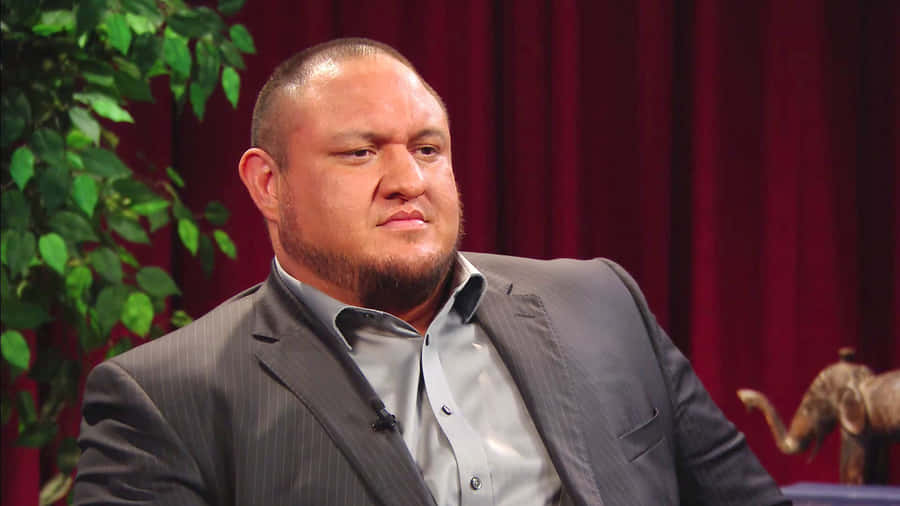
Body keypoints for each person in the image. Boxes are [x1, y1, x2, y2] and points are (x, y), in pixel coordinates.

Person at [73, 38, 789, 506]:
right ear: (268, 183)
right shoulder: (167, 399)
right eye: (360, 153)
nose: (407, 180)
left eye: (427, 148)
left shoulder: (601, 303)